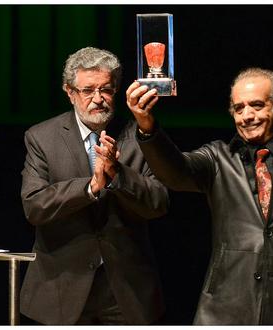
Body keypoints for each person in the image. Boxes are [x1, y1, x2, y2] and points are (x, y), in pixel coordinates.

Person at [126, 67, 273, 325]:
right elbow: (175, 172)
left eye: (256, 105)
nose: (247, 116)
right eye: (238, 108)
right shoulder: (218, 158)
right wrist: (147, 126)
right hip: (225, 311)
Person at [20, 47, 169, 325]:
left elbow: (159, 202)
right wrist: (91, 186)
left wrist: (117, 173)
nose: (98, 99)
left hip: (126, 292)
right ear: (70, 92)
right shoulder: (42, 137)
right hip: (61, 290)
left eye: (107, 90)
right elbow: (34, 205)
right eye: (88, 90)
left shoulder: (142, 135)